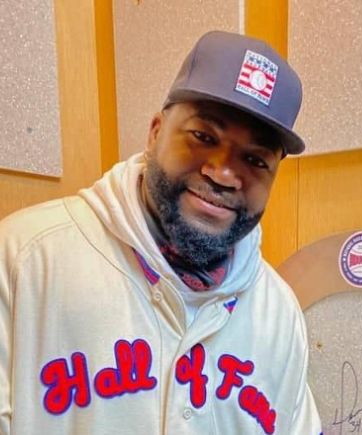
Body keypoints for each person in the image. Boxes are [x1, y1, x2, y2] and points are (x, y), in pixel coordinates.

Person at [0, 31, 322, 435]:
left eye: (255, 160)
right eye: (204, 137)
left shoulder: (278, 310)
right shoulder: (23, 259)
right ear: (155, 132)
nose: (223, 173)